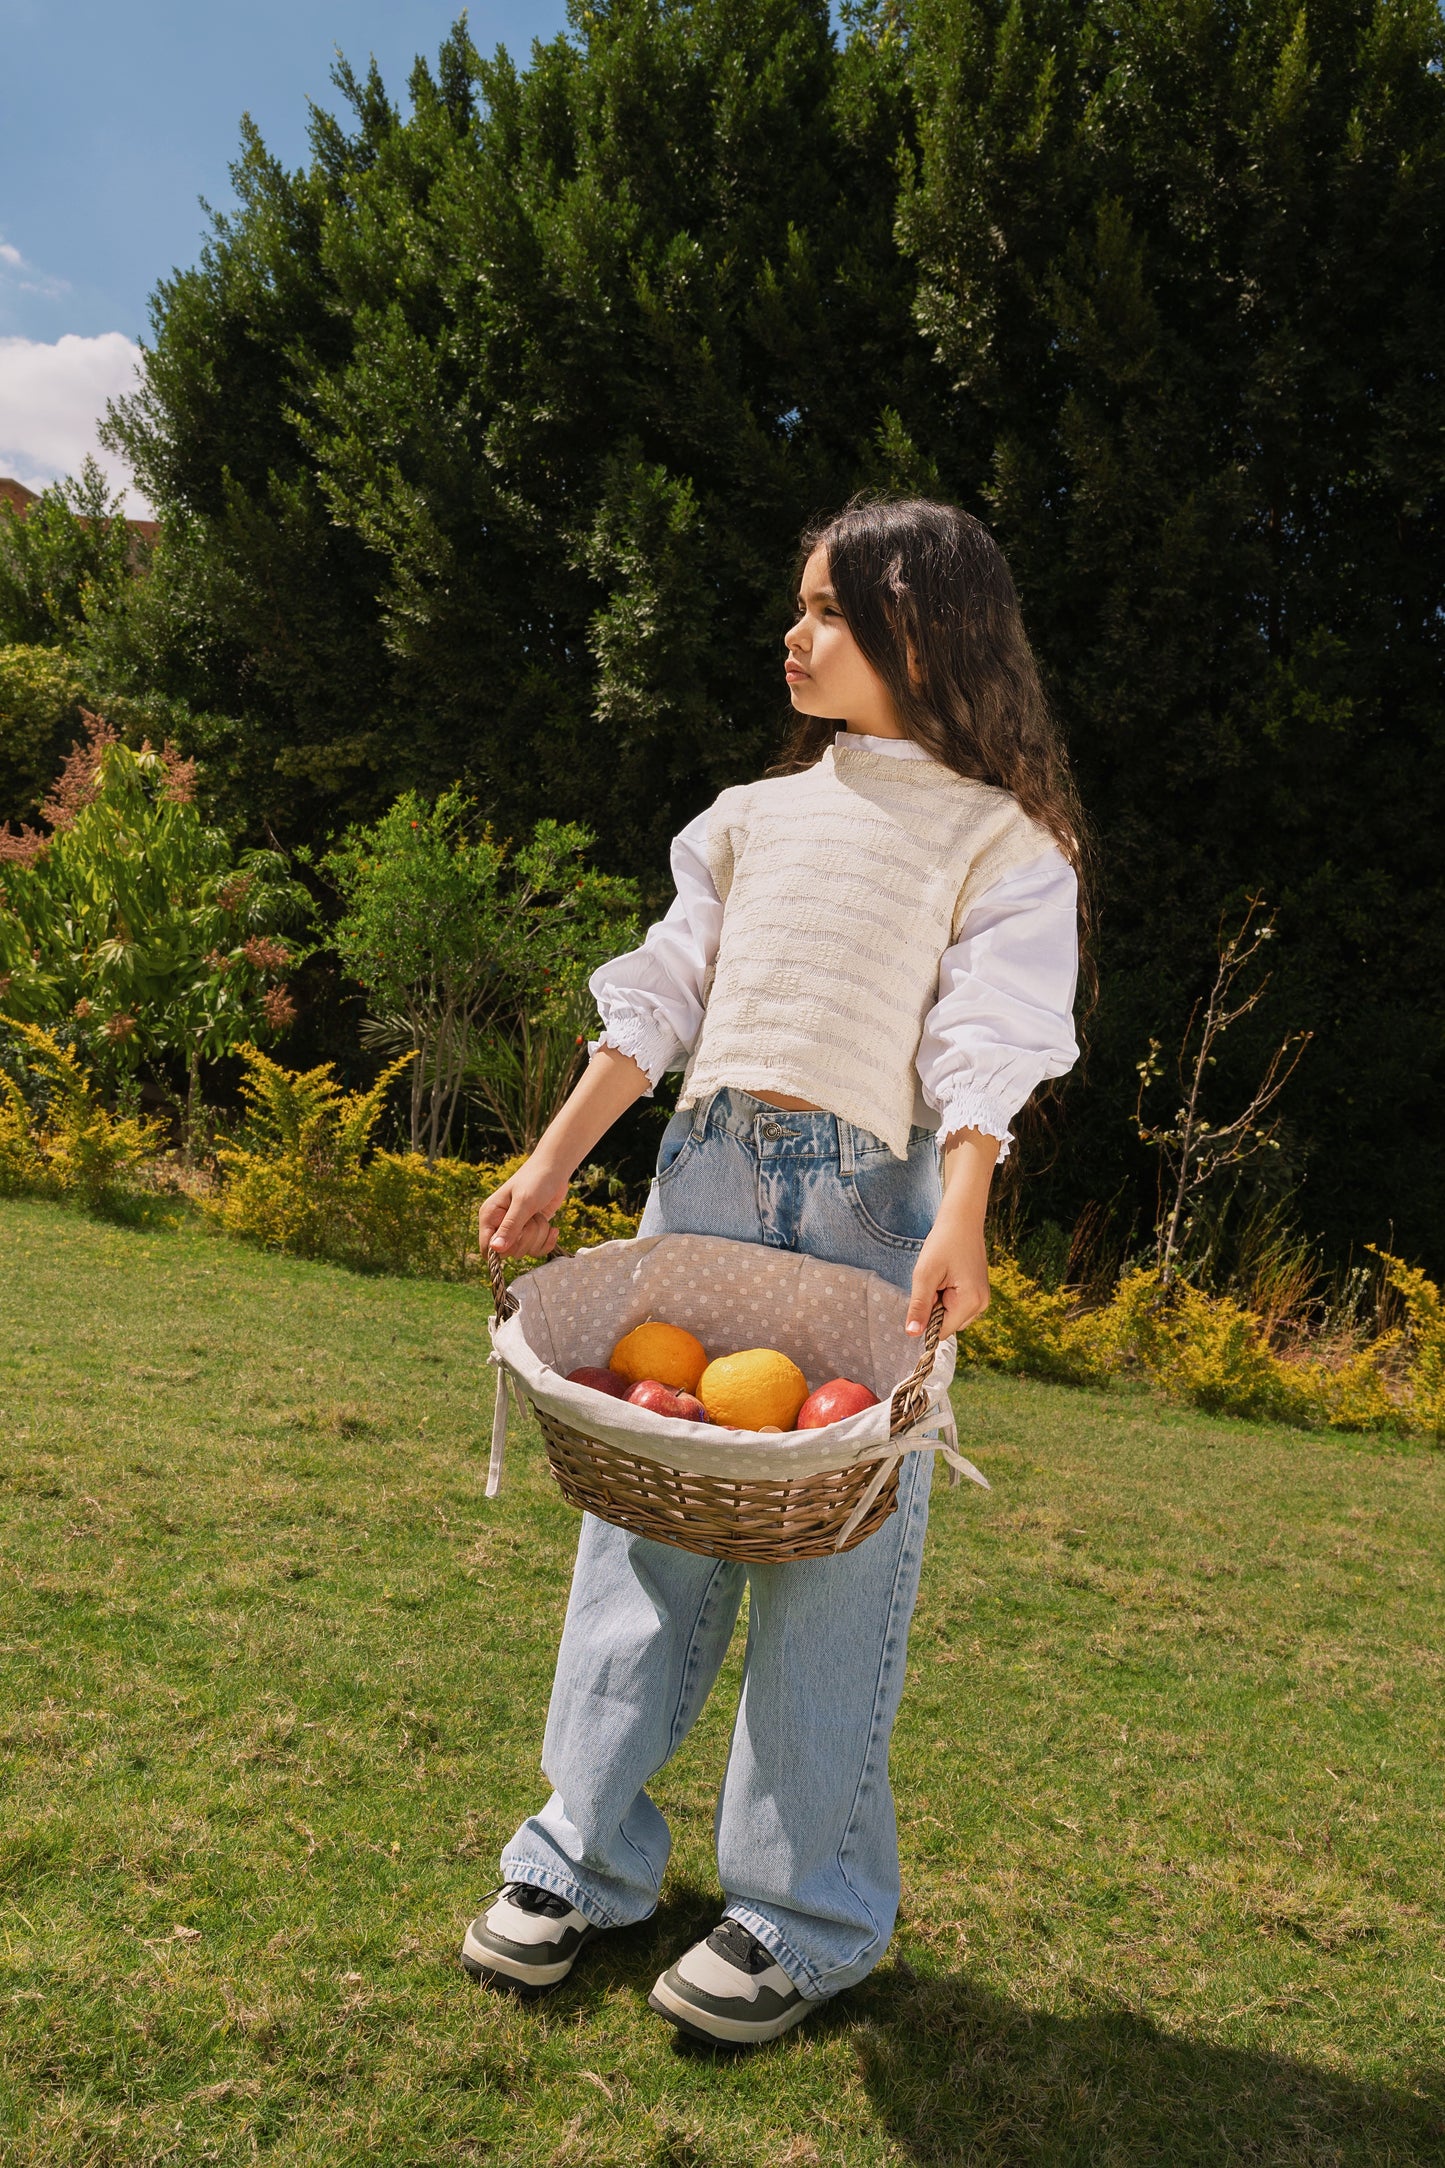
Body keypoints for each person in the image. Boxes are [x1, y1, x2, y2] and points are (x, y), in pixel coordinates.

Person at [462, 497, 1083, 2046]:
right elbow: (660, 998)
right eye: (795, 609)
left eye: (823, 611)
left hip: (877, 1210)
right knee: (641, 1528)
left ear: (918, 631)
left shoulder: (1004, 841)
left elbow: (982, 1046)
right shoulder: (748, 813)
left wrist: (962, 1214)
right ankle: (581, 1858)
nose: (790, 636)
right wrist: (552, 1157)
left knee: (835, 1555)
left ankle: (805, 1913)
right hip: (706, 1181)